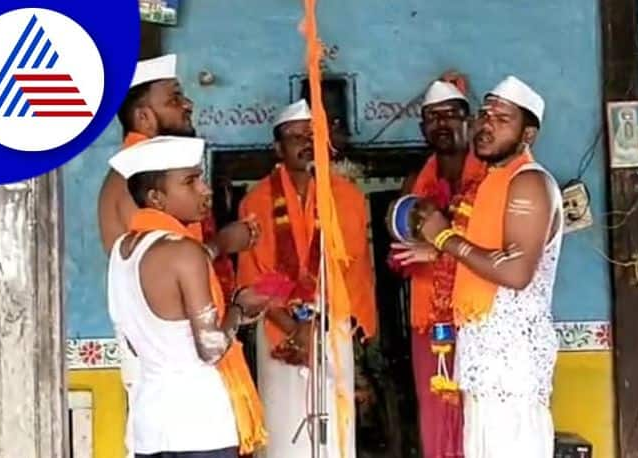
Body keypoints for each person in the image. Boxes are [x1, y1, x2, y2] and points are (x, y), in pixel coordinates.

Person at [97, 55, 258, 457]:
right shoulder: (133, 188)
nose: (188, 106)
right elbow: (205, 339)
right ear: (144, 116)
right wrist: (234, 293)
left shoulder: (129, 245)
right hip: (195, 414)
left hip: (153, 415)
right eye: (175, 99)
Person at [398, 76, 562, 457]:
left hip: (514, 368)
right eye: (485, 115)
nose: (487, 124)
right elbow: (479, 254)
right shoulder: (488, 186)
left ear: (528, 135)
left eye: (502, 119)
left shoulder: (529, 183)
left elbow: (515, 272)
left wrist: (443, 239)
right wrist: (439, 253)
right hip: (483, 363)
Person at [236, 100, 377, 458]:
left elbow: (352, 269)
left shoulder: (347, 198)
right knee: (286, 428)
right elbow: (256, 273)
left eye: (311, 136)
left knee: (336, 426)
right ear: (278, 148)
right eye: (294, 137)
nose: (304, 143)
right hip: (278, 328)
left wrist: (319, 321)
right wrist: (294, 325)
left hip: (333, 326)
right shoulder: (256, 200)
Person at [389, 79, 485, 458]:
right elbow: (398, 243)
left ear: (470, 121)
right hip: (429, 320)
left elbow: (498, 246)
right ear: (422, 128)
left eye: (451, 115)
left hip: (480, 317)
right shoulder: (415, 183)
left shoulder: (490, 178)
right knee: (436, 412)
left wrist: (440, 250)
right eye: (433, 117)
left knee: (480, 413)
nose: (442, 123)